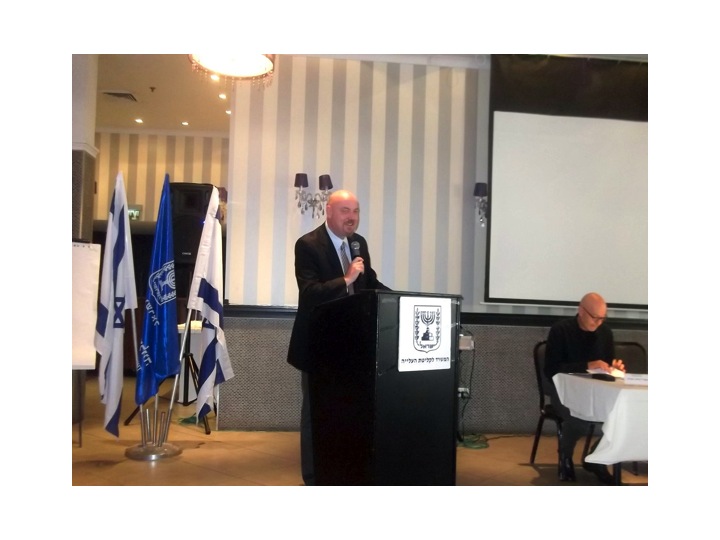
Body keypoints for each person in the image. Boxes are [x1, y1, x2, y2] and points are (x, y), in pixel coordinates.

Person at [286, 189, 390, 485]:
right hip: (319, 346)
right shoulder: (308, 245)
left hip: (353, 345)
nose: (352, 217)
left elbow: (369, 282)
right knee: (316, 414)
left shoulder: (359, 244)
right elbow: (309, 293)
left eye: (356, 211)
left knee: (349, 412)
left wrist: (400, 299)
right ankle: (314, 477)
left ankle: (345, 471)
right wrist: (346, 279)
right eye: (345, 210)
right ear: (329, 212)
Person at [544, 292, 625, 485]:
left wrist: (614, 368)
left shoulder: (605, 333)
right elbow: (552, 369)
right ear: (581, 311)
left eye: (602, 318)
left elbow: (606, 366)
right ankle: (565, 456)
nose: (598, 322)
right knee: (578, 419)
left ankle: (596, 459)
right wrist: (587, 365)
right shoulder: (560, 330)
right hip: (563, 390)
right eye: (594, 317)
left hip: (595, 391)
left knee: (621, 416)